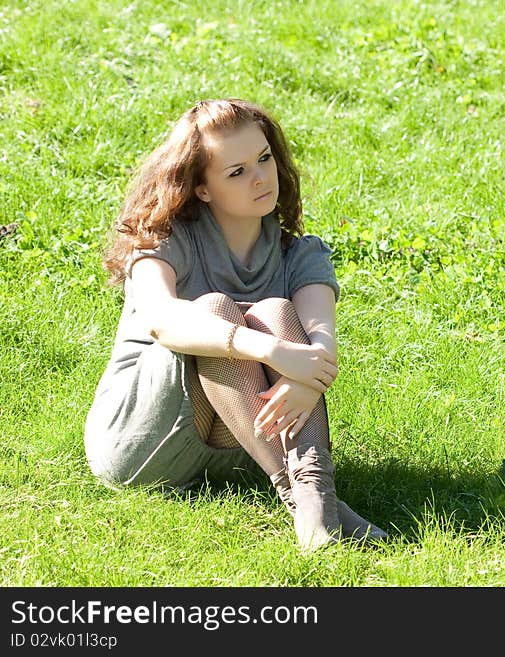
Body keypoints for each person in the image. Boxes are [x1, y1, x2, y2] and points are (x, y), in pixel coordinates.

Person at [83, 98, 387, 551]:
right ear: (202, 189)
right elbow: (164, 322)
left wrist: (307, 377)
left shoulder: (299, 254)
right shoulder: (163, 242)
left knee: (278, 313)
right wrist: (266, 350)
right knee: (214, 310)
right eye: (237, 172)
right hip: (142, 441)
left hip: (243, 445)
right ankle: (312, 503)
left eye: (264, 159)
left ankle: (310, 494)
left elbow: (321, 342)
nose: (261, 177)